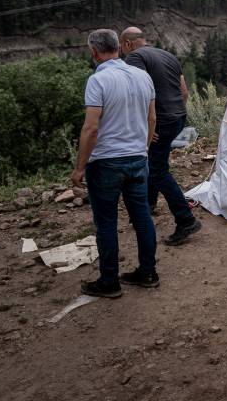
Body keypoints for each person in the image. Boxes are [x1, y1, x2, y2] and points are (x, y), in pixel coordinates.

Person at [71, 29, 159, 297]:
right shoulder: (143, 77)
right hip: (137, 158)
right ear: (119, 49)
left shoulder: (98, 81)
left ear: (94, 52)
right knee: (142, 217)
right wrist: (141, 149)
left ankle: (109, 281)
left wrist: (80, 167)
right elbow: (152, 119)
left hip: (107, 162)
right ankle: (148, 272)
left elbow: (91, 129)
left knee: (107, 222)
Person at [120, 26, 202, 246]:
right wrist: (174, 113)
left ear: (127, 43)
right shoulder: (168, 55)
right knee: (155, 161)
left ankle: (186, 220)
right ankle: (149, 205)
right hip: (178, 117)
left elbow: (137, 93)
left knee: (157, 171)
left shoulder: (134, 58)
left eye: (122, 47)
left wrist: (149, 125)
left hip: (160, 121)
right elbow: (184, 92)